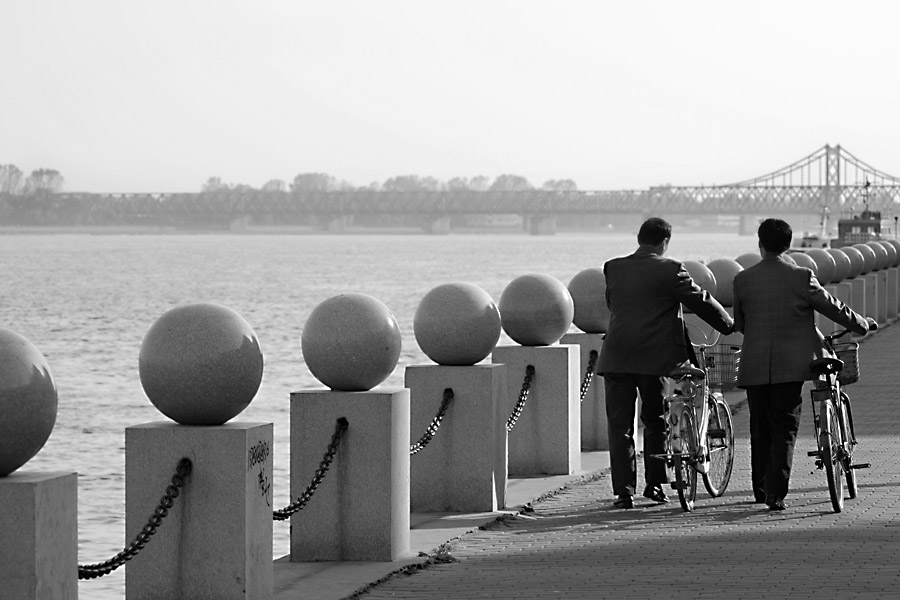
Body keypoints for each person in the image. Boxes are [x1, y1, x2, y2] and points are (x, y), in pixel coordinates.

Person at [732, 218, 872, 511]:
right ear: (788, 245)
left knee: (760, 428)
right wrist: (861, 324)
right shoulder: (801, 276)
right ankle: (776, 493)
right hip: (791, 366)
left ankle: (760, 489)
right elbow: (833, 307)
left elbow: (741, 324)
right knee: (785, 426)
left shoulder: (742, 280)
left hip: (754, 364)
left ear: (760, 244)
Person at [599, 217, 734, 509]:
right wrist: (727, 323)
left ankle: (623, 492)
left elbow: (614, 303)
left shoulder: (613, 267)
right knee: (655, 420)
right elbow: (700, 299)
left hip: (617, 356)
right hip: (654, 358)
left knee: (620, 425)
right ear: (664, 242)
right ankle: (655, 485)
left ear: (639, 239)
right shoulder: (671, 269)